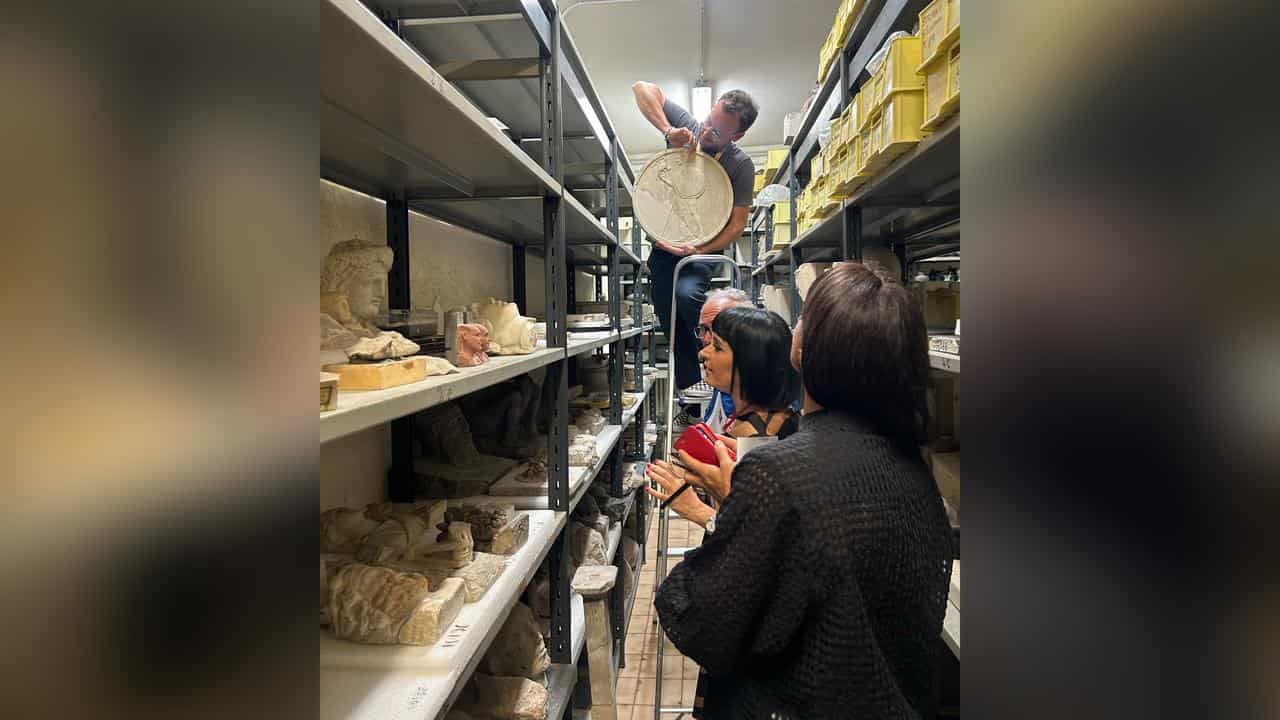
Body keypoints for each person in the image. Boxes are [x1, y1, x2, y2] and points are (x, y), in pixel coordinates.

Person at [648, 262, 954, 719]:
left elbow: (701, 621)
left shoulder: (779, 472)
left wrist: (726, 518)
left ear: (808, 351)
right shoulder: (913, 465)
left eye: (804, 318)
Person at [631, 81, 758, 390]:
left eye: (717, 130)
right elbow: (641, 88)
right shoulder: (688, 126)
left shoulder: (741, 165)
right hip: (664, 246)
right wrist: (666, 131)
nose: (707, 131)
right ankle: (690, 387)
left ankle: (720, 359)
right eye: (709, 121)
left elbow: (737, 224)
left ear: (736, 136)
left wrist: (699, 249)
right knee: (667, 314)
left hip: (701, 248)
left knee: (687, 297)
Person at [694, 288, 751, 430]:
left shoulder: (753, 404)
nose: (707, 339)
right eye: (703, 329)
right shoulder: (723, 384)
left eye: (715, 328)